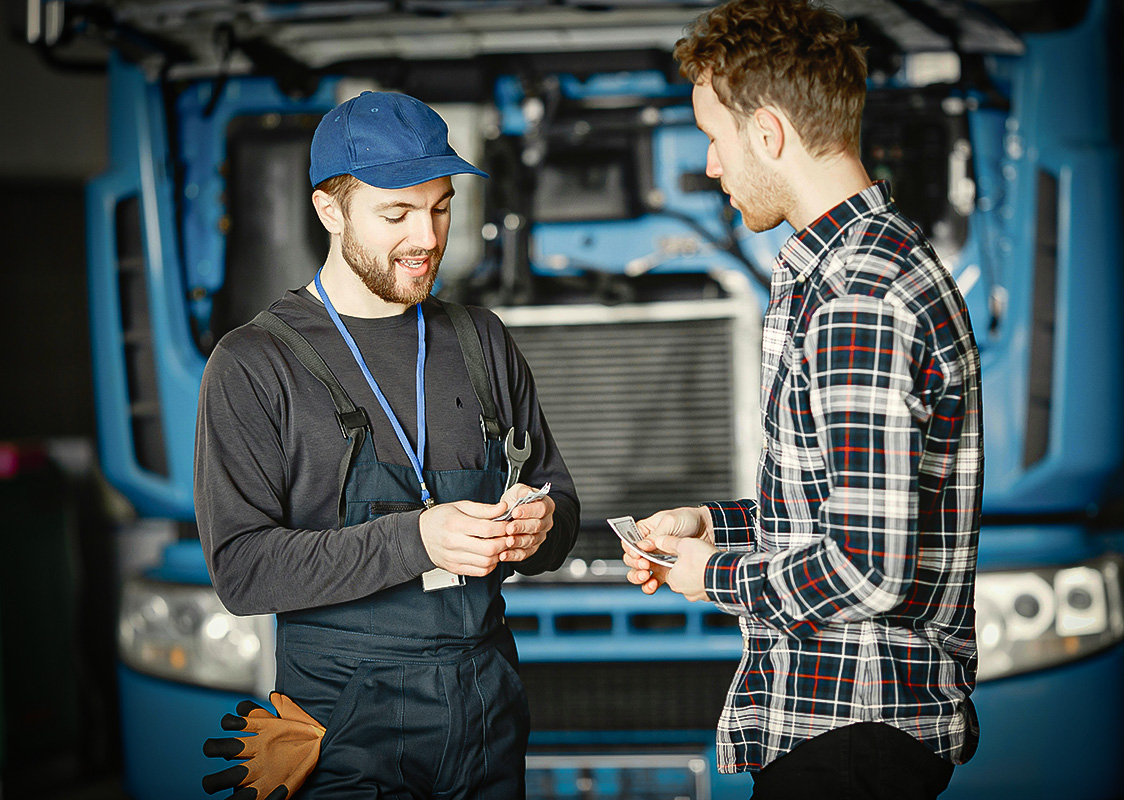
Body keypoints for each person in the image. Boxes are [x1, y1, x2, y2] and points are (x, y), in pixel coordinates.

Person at [622, 1, 983, 798]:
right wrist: (710, 524)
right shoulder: (855, 273)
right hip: (840, 725)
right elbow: (844, 510)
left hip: (852, 732)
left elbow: (867, 567)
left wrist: (709, 574)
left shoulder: (859, 297)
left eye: (715, 139)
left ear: (768, 133)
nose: (711, 167)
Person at [195, 90, 579, 799]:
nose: (427, 237)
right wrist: (420, 540)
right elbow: (241, 570)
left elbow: (559, 498)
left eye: (440, 206)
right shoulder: (254, 364)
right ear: (329, 211)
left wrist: (543, 527)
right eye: (396, 214)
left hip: (488, 705)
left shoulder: (482, 340)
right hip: (344, 724)